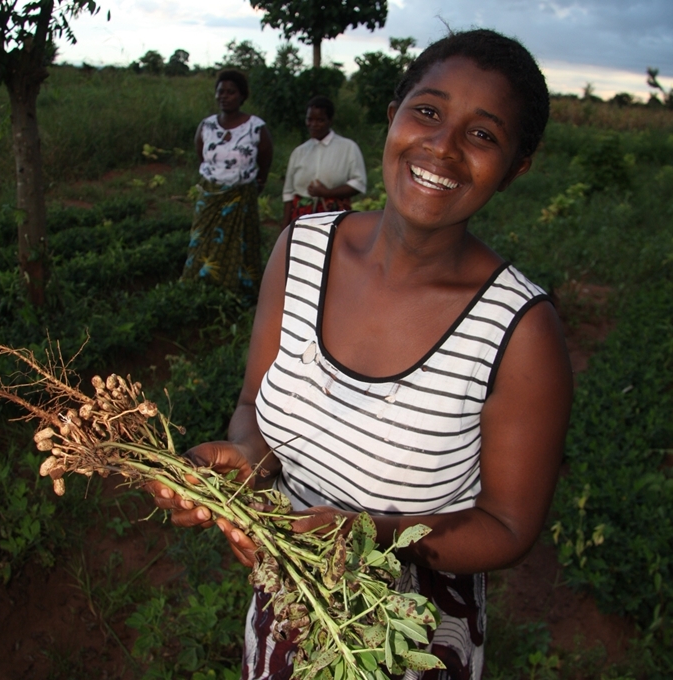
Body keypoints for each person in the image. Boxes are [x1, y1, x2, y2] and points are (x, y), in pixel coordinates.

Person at [152, 28, 574, 680]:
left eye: (483, 134)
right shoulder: (300, 248)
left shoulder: (521, 330)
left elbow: (510, 525)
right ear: (393, 116)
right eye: (428, 112)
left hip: (410, 628)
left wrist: (369, 535)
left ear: (518, 165)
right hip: (288, 588)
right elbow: (252, 410)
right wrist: (246, 462)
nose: (443, 146)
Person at [181, 69, 273, 301]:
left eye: (231, 92)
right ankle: (201, 286)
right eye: (220, 91)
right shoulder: (207, 126)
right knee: (203, 239)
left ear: (242, 96)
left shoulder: (255, 127)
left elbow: (264, 161)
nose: (224, 96)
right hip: (210, 195)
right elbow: (202, 157)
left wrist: (253, 184)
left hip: (241, 196)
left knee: (241, 242)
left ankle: (239, 293)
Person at [281, 95, 366, 230]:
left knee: (333, 250)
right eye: (310, 119)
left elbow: (358, 183)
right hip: (302, 219)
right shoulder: (299, 152)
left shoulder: (347, 147)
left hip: (335, 218)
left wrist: (327, 193)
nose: (313, 124)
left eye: (320, 120)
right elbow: (288, 194)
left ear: (330, 121)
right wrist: (285, 229)